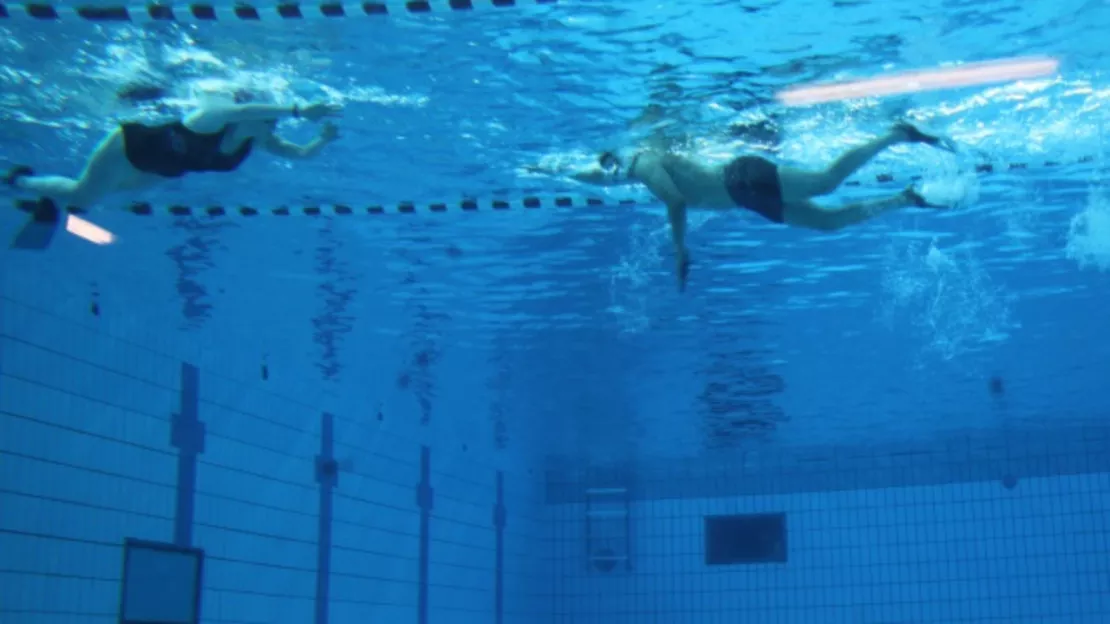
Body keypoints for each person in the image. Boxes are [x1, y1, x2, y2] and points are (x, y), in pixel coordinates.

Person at [535, 121, 957, 291]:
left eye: (611, 168)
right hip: (744, 199)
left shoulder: (644, 162)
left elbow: (676, 201)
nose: (613, 176)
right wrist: (553, 170)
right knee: (828, 223)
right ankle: (906, 198)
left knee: (827, 182)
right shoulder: (626, 169)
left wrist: (680, 250)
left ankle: (895, 134)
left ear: (619, 156)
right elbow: (594, 174)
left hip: (742, 179)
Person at [3, 91, 343, 211]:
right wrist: (298, 110)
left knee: (100, 194)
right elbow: (241, 112)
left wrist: (324, 139)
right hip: (128, 148)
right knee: (83, 197)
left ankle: (52, 194)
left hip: (156, 171)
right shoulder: (214, 116)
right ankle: (19, 180)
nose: (274, 126)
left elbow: (300, 155)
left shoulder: (261, 139)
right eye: (270, 116)